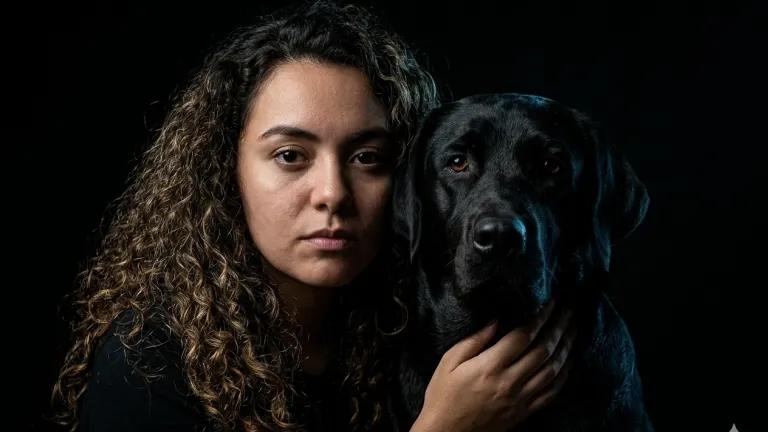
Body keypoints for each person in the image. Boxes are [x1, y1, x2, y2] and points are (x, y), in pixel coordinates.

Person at [51, 1, 575, 431]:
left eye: (367, 158)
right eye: (291, 156)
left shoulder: (406, 334)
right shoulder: (148, 366)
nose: (332, 194)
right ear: (224, 170)